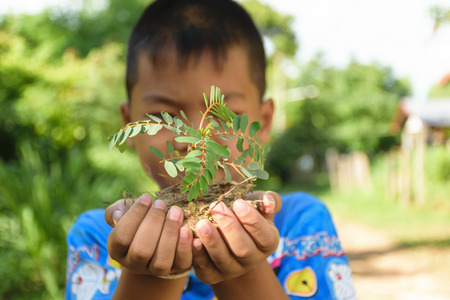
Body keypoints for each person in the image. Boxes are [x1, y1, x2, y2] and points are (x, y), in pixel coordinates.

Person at [65, 0, 357, 299]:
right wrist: (151, 274)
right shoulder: (100, 237)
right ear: (130, 125)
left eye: (223, 115)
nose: (194, 140)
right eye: (163, 116)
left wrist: (244, 271)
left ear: (265, 121)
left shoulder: (301, 225)